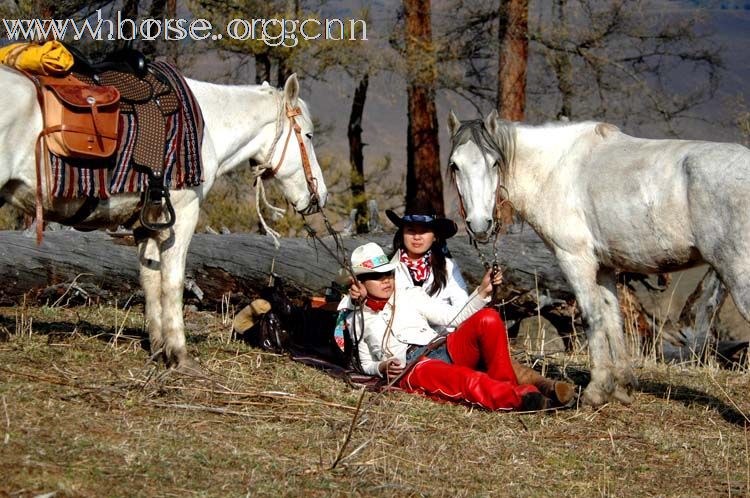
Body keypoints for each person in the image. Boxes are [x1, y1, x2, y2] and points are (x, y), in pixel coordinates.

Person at [343, 206, 576, 406]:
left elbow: (454, 316)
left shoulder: (431, 277)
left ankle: (515, 387)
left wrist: (482, 292)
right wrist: (356, 300)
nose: (385, 280)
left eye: (387, 274)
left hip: (446, 341)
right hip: (413, 361)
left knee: (488, 318)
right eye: (410, 230)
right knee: (467, 377)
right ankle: (523, 396)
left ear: (435, 236)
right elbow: (364, 361)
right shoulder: (360, 312)